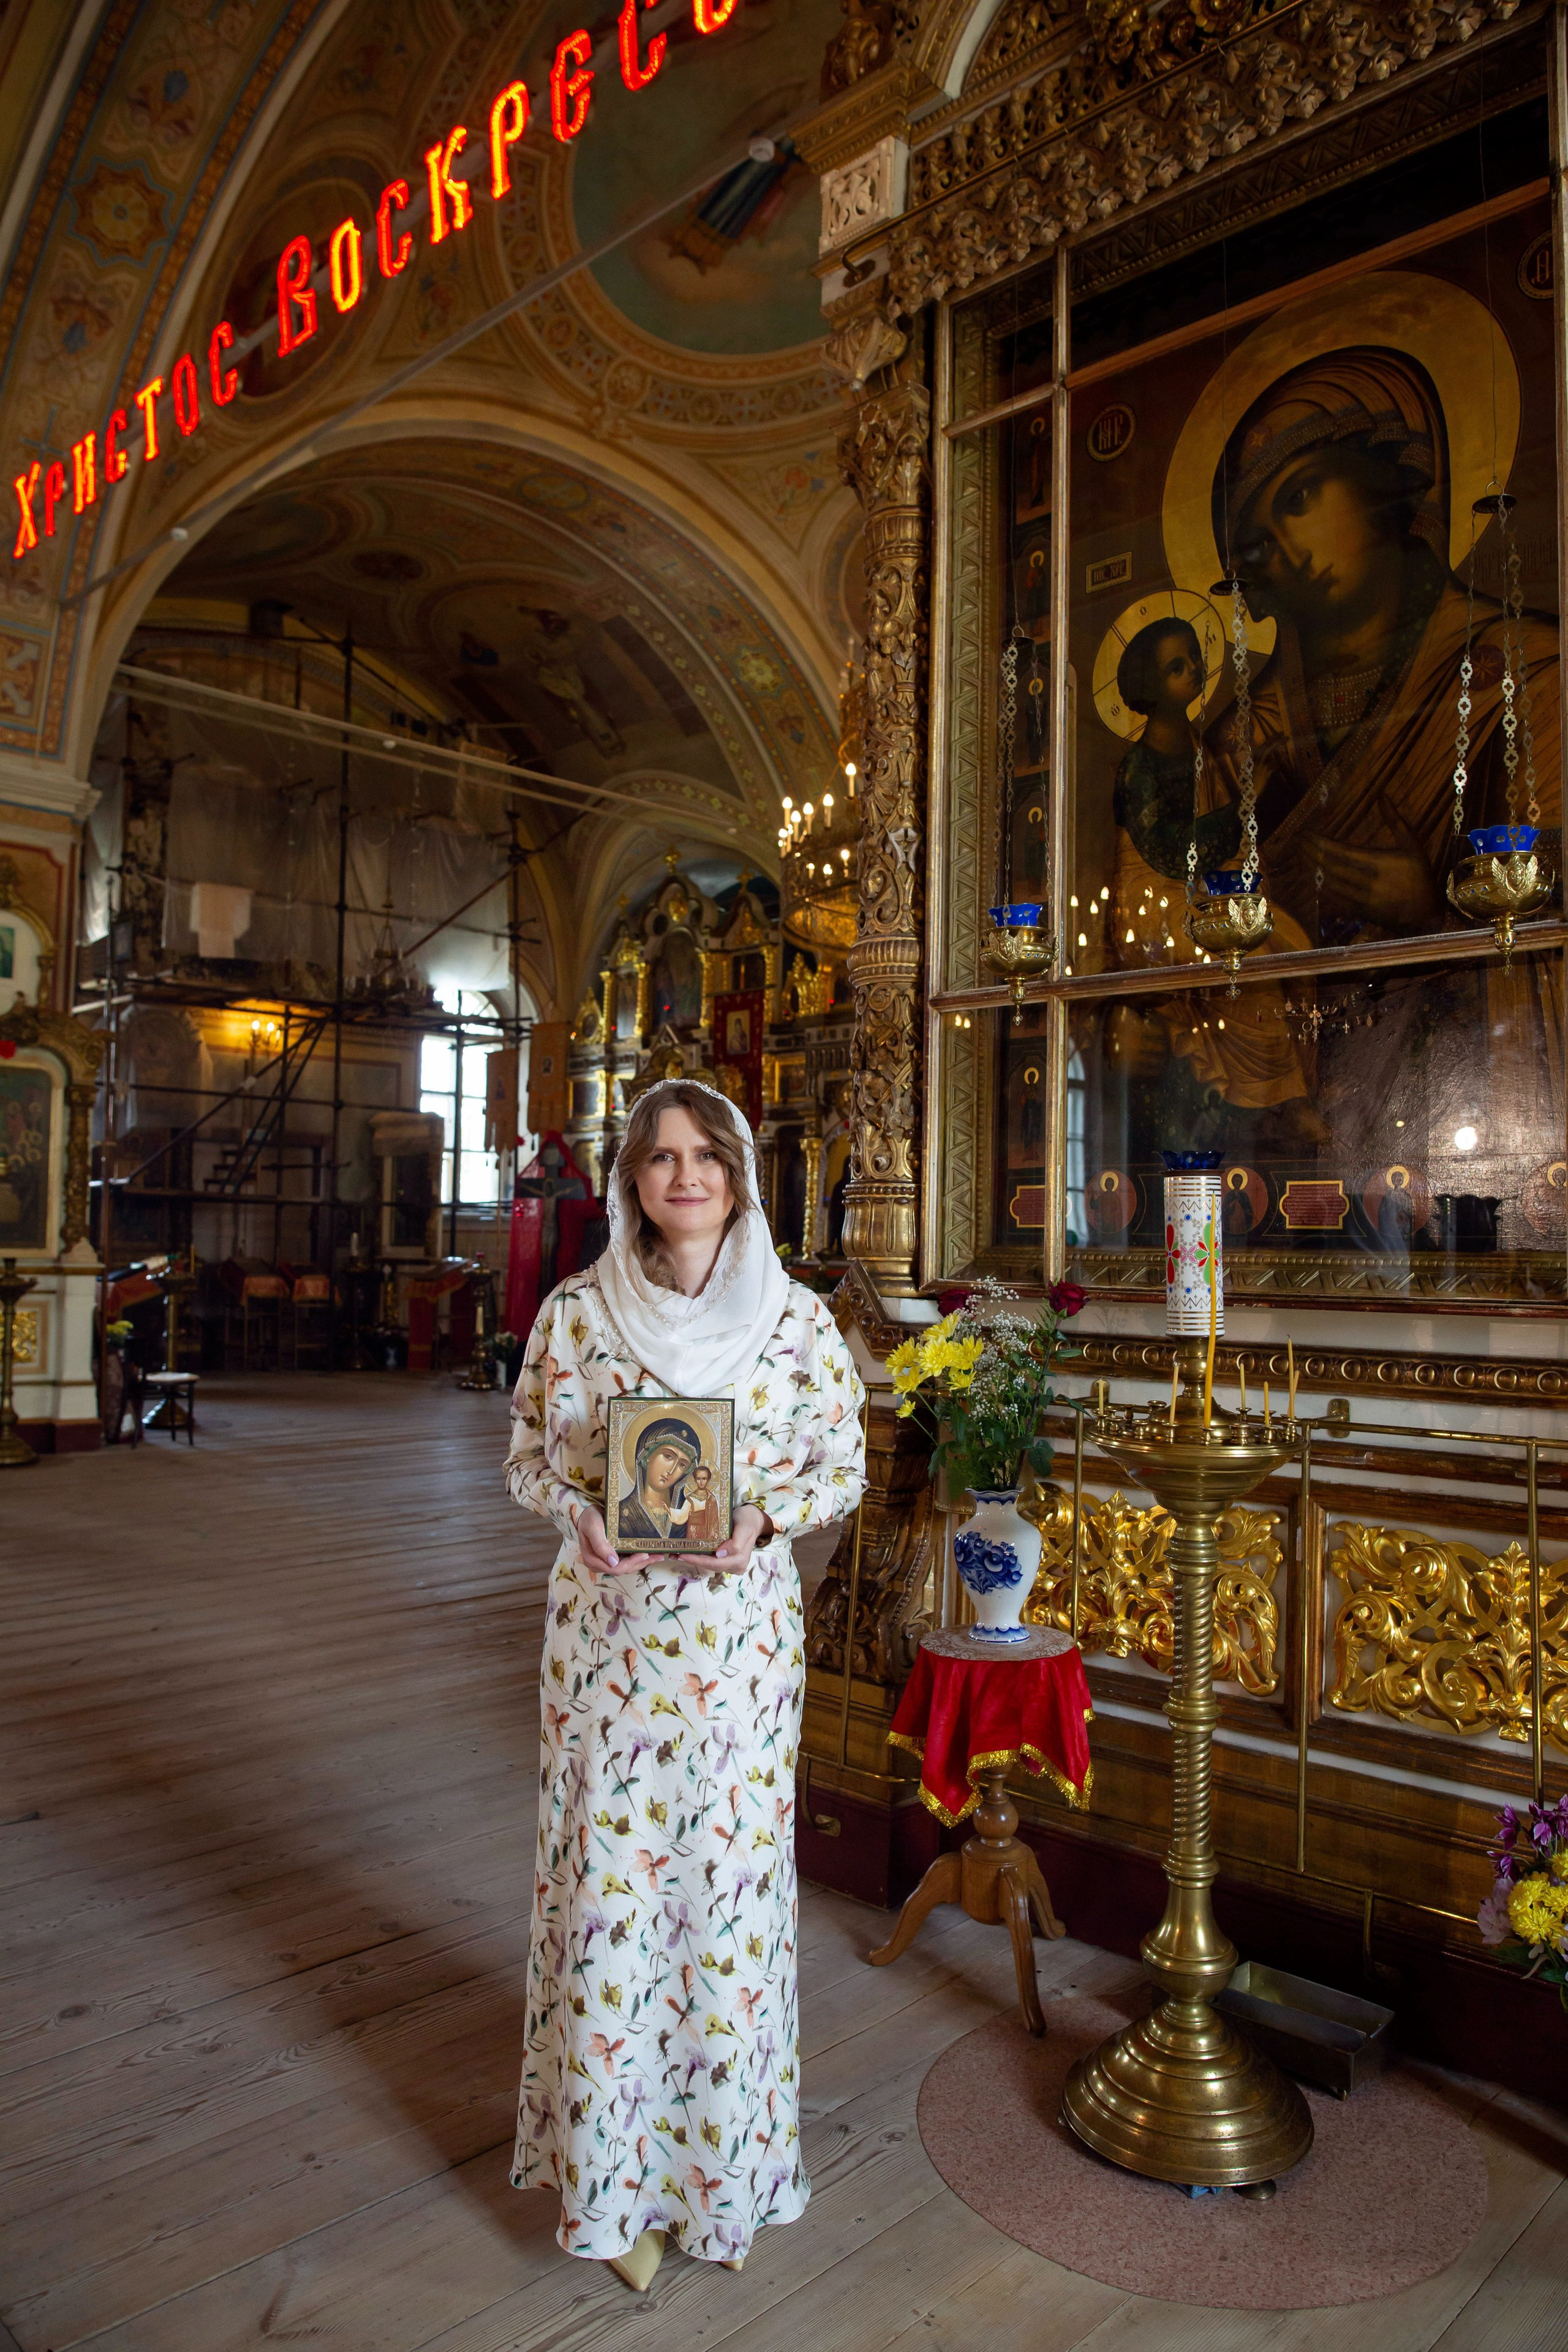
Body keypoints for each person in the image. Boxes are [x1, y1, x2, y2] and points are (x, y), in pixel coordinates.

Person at [504, 1077, 866, 2290]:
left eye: (704, 1153)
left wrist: (765, 1516)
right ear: (631, 1181)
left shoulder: (797, 1323)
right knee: (610, 1901)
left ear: (740, 1172)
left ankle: (718, 2177)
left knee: (723, 1902)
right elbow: (526, 1461)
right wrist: (575, 1510)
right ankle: (611, 2191)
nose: (683, 1175)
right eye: (658, 1157)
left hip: (737, 1658)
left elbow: (842, 1466)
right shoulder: (574, 1315)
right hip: (605, 1652)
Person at [614, 1415, 702, 1544]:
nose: (671, 1471)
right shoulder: (621, 1514)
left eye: (682, 1465)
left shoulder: (690, 1515)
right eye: (668, 1456)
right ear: (648, 1455)